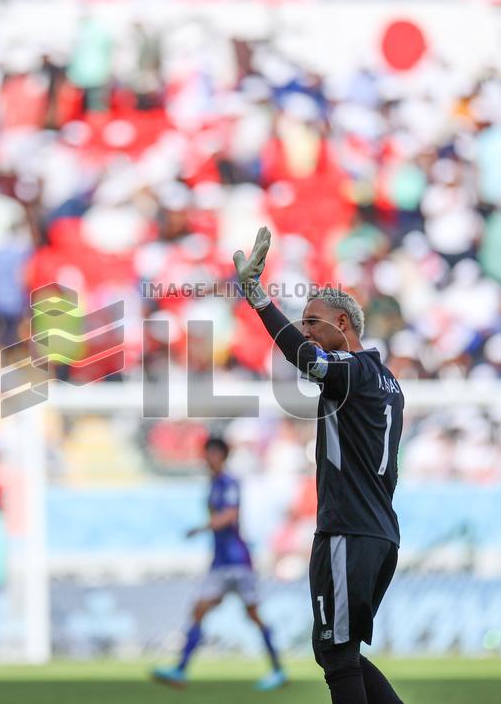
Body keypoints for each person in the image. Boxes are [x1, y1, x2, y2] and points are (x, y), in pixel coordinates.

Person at [234, 227, 404, 704]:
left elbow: (305, 359)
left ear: (344, 323)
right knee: (335, 649)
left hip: (349, 530)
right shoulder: (386, 380)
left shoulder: (352, 373)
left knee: (336, 652)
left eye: (313, 321)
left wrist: (259, 300)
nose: (306, 330)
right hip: (375, 530)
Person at [152, 435, 287, 691]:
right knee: (199, 609)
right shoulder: (214, 484)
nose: (207, 459)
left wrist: (202, 527)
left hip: (237, 561)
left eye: (211, 454)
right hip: (220, 562)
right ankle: (180, 670)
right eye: (206, 454)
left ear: (221, 456)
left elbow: (230, 516)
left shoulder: (229, 483)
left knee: (253, 615)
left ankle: (278, 670)